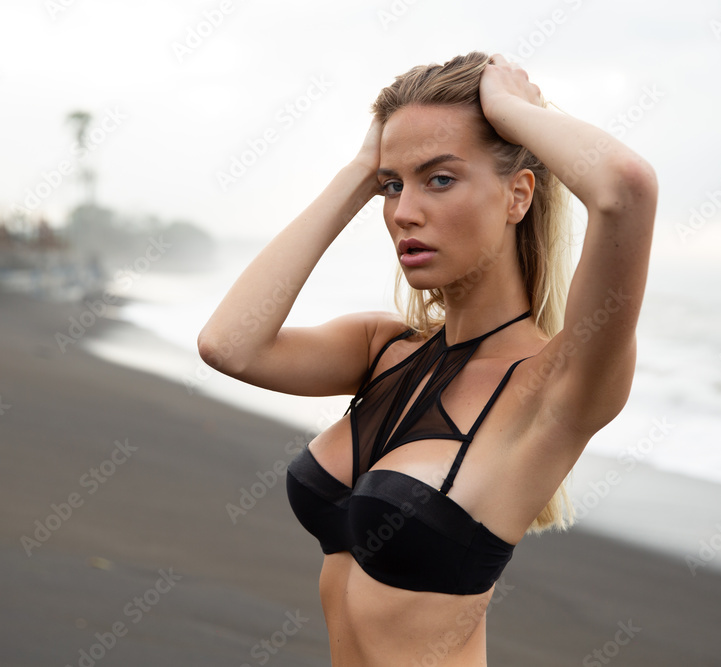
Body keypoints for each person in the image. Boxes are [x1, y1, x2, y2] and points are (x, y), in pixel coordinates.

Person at [198, 52, 657, 666]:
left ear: (518, 195)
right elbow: (229, 344)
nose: (403, 212)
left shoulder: (555, 388)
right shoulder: (382, 350)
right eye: (394, 186)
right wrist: (363, 168)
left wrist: (511, 111)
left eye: (440, 179)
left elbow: (626, 188)